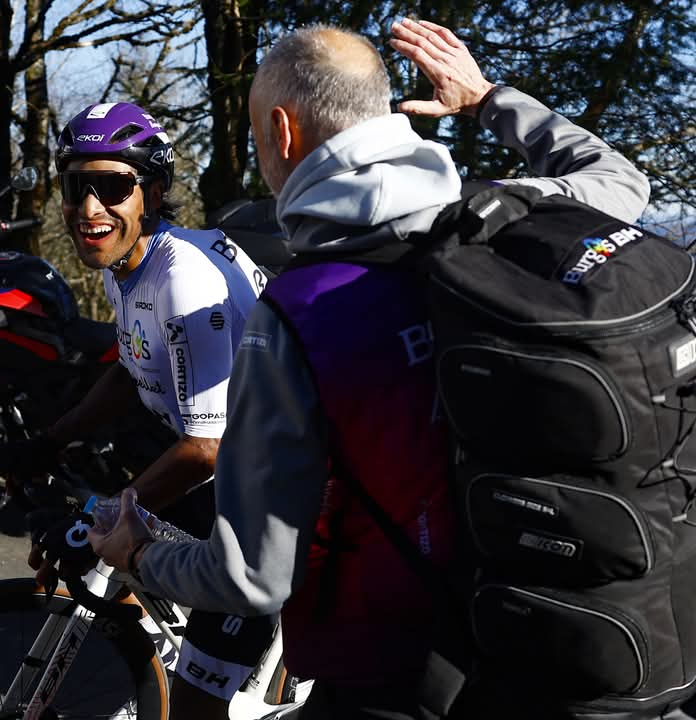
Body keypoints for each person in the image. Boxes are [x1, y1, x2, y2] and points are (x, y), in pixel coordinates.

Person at [90, 18, 651, 719]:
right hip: (571, 642)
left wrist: (138, 552)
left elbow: (251, 577)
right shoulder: (505, 222)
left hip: (400, 677)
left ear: (282, 132)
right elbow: (623, 182)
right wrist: (484, 97)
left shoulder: (299, 314)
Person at [11, 101, 273, 720]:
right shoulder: (126, 263)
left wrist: (107, 515)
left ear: (151, 193)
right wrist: (51, 440)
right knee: (123, 555)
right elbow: (133, 370)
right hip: (226, 465)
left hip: (272, 489)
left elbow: (208, 447)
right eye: (79, 187)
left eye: (114, 186)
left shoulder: (185, 281)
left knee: (194, 709)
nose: (92, 208)